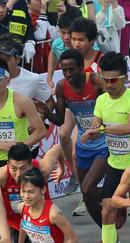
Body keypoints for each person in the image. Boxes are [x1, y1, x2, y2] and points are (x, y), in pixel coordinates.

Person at [81, 52, 130, 243]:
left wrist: (99, 131)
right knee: (107, 209)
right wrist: (92, 128)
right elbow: (96, 122)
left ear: (125, 77)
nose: (109, 85)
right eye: (105, 79)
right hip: (115, 165)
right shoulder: (101, 100)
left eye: (114, 80)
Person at [42, 49, 107, 233]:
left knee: (86, 188)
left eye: (72, 69)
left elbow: (112, 108)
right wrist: (45, 112)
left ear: (82, 67)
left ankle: (111, 211)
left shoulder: (95, 81)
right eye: (64, 70)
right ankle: (108, 226)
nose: (68, 74)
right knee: (87, 195)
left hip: (104, 142)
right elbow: (60, 120)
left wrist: (101, 127)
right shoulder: (62, 86)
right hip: (83, 146)